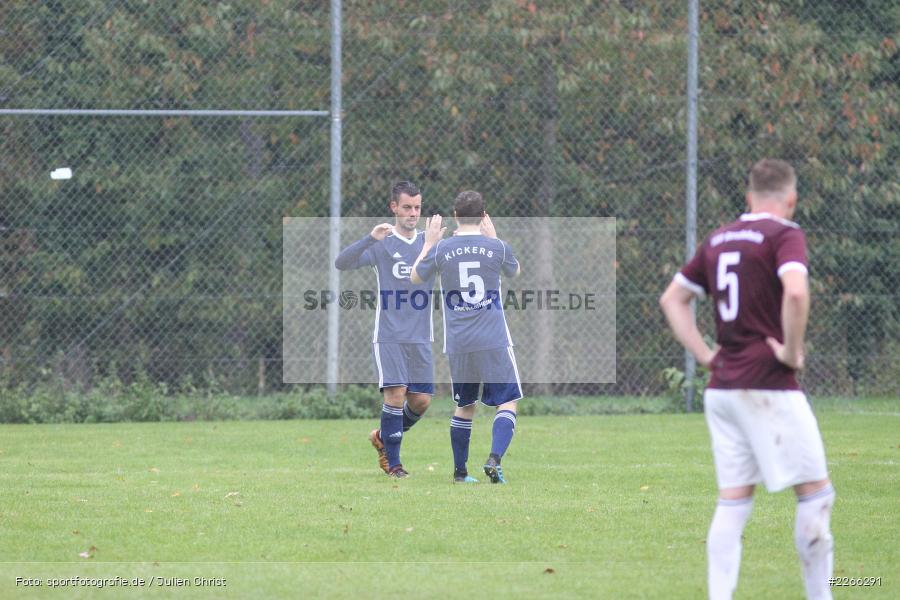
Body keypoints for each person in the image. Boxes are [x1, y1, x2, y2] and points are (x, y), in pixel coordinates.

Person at [659, 159, 834, 600]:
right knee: (815, 496)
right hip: (767, 386)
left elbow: (672, 299)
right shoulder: (784, 234)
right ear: (790, 200)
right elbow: (795, 291)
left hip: (722, 389)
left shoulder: (719, 237)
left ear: (748, 196)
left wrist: (703, 356)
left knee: (733, 502)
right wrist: (792, 352)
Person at [411, 190, 522, 484]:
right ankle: (495, 459)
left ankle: (461, 473)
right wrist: (494, 237)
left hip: (459, 342)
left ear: (455, 215)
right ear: (484, 215)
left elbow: (415, 277)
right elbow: (515, 271)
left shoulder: (442, 249)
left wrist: (429, 243)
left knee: (465, 405)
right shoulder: (496, 247)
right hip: (493, 338)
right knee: (508, 401)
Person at [334, 181, 435, 478]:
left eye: (417, 207)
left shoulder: (429, 244)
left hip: (421, 336)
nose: (412, 213)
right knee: (395, 395)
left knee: (421, 401)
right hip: (389, 334)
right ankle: (394, 464)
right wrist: (369, 238)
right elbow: (342, 263)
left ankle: (382, 436)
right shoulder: (382, 244)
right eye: (406, 207)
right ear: (394, 207)